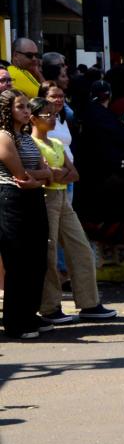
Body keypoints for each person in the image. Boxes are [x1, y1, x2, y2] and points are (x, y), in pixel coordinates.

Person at [31, 94, 114, 325]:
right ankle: (50, 307)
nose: (53, 118)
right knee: (48, 253)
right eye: (47, 114)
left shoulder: (56, 144)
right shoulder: (31, 144)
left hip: (63, 199)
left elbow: (74, 174)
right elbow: (45, 176)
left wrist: (56, 174)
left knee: (81, 248)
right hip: (45, 199)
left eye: (54, 114)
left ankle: (89, 303)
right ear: (33, 119)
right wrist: (55, 174)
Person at [0, 89, 53, 339]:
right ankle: (15, 321)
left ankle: (30, 313)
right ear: (7, 110)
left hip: (34, 198)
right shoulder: (3, 136)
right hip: (11, 199)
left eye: (27, 106)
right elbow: (20, 175)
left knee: (37, 259)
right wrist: (43, 176)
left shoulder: (27, 137)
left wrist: (40, 178)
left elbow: (47, 173)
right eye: (20, 107)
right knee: (18, 261)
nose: (26, 111)